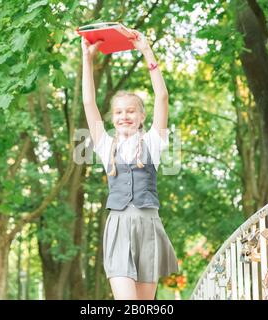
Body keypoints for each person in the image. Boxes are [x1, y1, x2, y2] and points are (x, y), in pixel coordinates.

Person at [81, 29, 179, 300]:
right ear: (113, 118)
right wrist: (87, 61)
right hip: (119, 226)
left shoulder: (153, 142)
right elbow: (88, 102)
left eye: (131, 110)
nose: (125, 116)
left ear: (141, 116)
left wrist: (147, 52)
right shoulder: (105, 145)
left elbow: (162, 97)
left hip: (148, 226)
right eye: (119, 112)